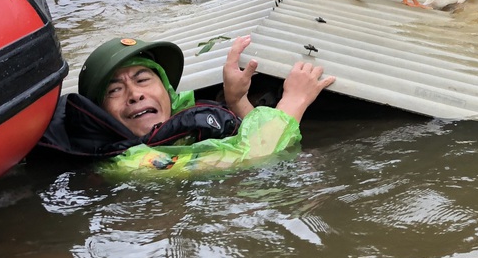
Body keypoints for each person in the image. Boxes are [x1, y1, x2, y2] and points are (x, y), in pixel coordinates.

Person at [34, 35, 335, 175]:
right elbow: (254, 157)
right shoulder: (131, 164)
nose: (134, 94)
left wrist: (237, 101)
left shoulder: (179, 127)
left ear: (167, 92)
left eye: (142, 79)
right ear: (101, 115)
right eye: (115, 90)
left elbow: (252, 142)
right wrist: (294, 100)